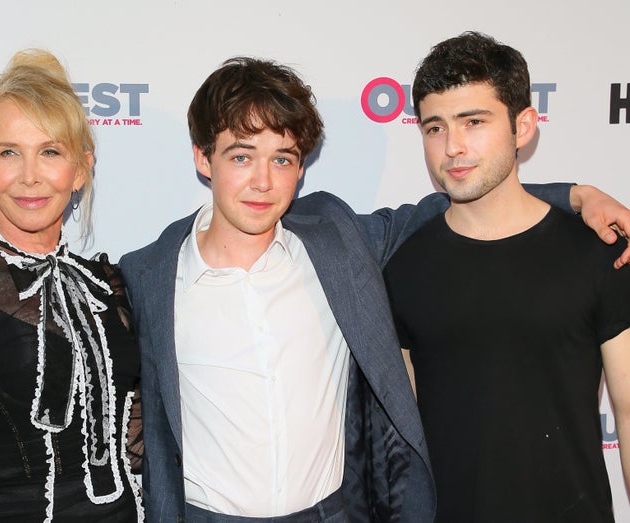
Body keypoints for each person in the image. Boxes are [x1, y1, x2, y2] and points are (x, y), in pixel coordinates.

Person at [119, 56, 630, 523]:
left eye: (282, 159)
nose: (262, 182)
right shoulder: (147, 277)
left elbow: (469, 198)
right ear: (203, 159)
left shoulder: (339, 240)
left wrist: (575, 196)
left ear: (301, 168)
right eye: (241, 156)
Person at [383, 31, 630, 522]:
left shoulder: (599, 252)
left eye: (474, 122)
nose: (453, 147)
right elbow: (403, 440)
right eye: (435, 127)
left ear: (523, 127)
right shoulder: (403, 267)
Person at [0, 49, 143, 521]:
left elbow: (135, 444)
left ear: (80, 168)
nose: (30, 175)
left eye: (50, 151)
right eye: (9, 152)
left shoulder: (107, 283)